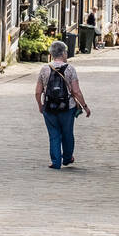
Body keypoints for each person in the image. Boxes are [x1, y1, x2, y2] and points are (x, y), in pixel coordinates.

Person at [34, 40, 91, 169]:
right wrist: (84, 106)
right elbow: (76, 91)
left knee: (53, 134)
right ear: (64, 53)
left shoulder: (44, 69)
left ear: (52, 54)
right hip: (67, 107)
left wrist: (40, 105)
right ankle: (67, 158)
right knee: (67, 133)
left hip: (49, 107)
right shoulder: (70, 69)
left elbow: (38, 92)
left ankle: (56, 162)